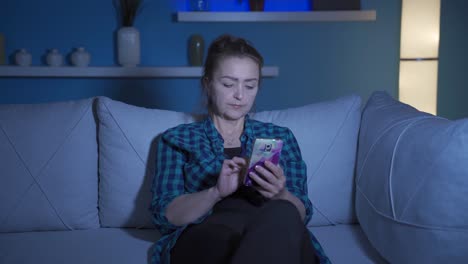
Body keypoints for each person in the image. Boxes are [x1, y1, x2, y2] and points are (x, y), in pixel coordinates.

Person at [150, 34, 329, 264]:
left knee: (283, 214)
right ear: (207, 84)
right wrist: (215, 192)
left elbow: (302, 214)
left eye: (250, 85)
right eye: (228, 84)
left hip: (275, 230)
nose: (240, 95)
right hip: (210, 234)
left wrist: (280, 194)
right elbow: (165, 217)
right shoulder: (177, 139)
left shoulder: (280, 137)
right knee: (221, 238)